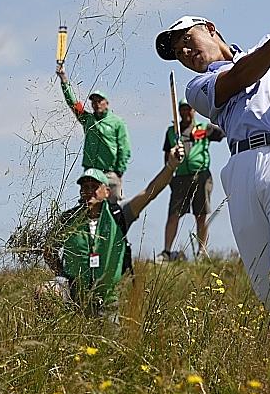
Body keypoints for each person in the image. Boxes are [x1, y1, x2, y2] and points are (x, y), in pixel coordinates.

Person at [157, 14, 270, 364]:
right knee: (268, 288)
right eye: (178, 52)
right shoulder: (198, 87)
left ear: (210, 28)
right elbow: (238, 78)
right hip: (241, 166)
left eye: (187, 40)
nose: (185, 52)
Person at [45, 146, 187, 316]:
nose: (89, 191)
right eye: (85, 187)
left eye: (94, 186)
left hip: (108, 298)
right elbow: (48, 250)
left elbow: (150, 192)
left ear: (107, 191)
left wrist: (171, 166)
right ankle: (54, 328)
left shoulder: (118, 214)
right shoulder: (69, 219)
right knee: (45, 291)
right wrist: (63, 275)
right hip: (74, 292)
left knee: (111, 331)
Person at [55, 65, 131, 202]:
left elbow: (124, 148)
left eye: (99, 101)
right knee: (88, 206)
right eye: (93, 101)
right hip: (91, 173)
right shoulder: (88, 119)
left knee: (114, 207)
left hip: (110, 173)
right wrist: (64, 80)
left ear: (106, 103)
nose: (96, 104)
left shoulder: (117, 122)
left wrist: (119, 171)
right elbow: (73, 103)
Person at [160, 101, 225, 260]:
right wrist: (168, 176)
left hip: (201, 175)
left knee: (201, 214)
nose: (185, 112)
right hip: (180, 176)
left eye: (188, 109)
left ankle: (201, 251)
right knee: (174, 214)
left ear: (194, 111)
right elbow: (167, 155)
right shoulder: (172, 132)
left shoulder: (203, 128)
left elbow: (223, 133)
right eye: (182, 109)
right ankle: (167, 252)